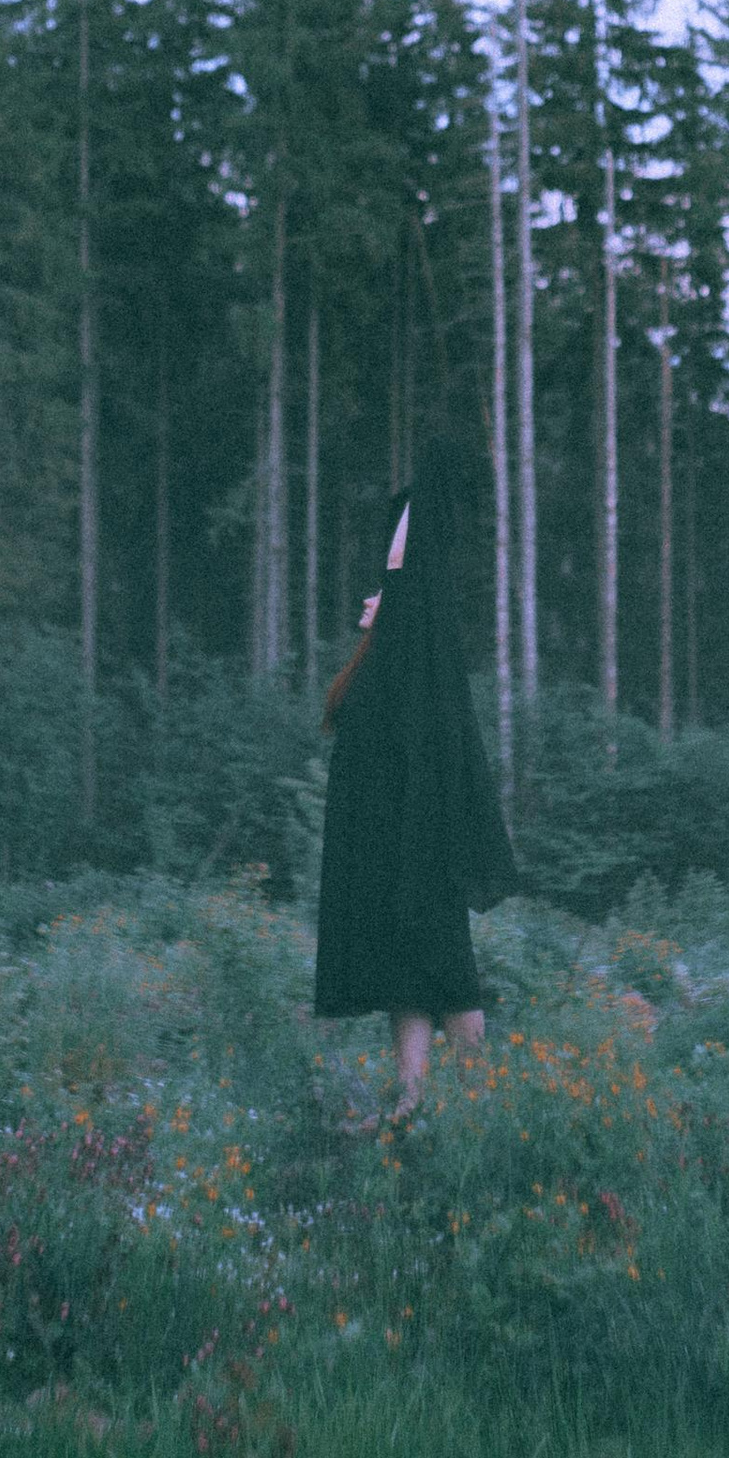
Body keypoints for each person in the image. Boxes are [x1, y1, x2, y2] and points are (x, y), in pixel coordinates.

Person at [313, 437, 518, 1117]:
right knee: (408, 976)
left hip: (422, 844)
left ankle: (480, 1108)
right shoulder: (374, 671)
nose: (372, 595)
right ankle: (410, 1102)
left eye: (385, 586)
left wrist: (423, 498)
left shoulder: (415, 655)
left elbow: (415, 574)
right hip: (389, 853)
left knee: (449, 974)